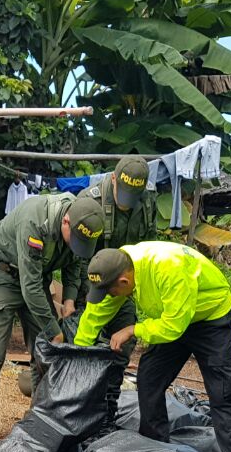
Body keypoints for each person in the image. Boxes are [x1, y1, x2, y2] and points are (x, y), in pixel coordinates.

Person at [78, 243, 231, 452]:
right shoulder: (119, 264)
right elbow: (95, 314)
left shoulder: (167, 268)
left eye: (110, 290)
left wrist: (133, 330)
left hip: (210, 318)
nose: (109, 296)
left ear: (124, 281)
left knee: (222, 392)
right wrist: (78, 355)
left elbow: (173, 327)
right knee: (149, 378)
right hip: (172, 317)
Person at [0, 194, 104, 435]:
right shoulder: (35, 221)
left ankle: (40, 414)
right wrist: (55, 331)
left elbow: (75, 263)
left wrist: (70, 299)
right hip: (2, 275)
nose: (77, 245)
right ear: (66, 222)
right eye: (76, 239)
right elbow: (29, 287)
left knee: (43, 349)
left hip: (36, 278)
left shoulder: (79, 223)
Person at [60, 156, 158, 431]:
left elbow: (149, 244)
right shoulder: (90, 201)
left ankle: (107, 415)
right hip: (93, 285)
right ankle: (75, 410)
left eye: (133, 195)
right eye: (123, 193)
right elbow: (77, 256)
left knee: (120, 346)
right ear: (113, 179)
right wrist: (73, 297)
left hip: (125, 285)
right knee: (83, 347)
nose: (127, 201)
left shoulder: (147, 201)